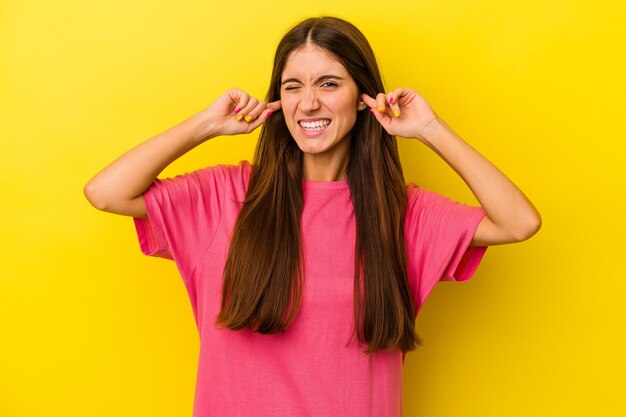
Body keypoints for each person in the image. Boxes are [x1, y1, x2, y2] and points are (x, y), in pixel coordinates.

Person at [84, 15, 541, 417]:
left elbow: (518, 222)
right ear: (277, 101)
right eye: (292, 86)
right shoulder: (225, 196)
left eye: (328, 83)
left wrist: (428, 129)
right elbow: (106, 192)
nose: (308, 103)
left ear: (363, 97)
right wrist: (206, 125)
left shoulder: (401, 215)